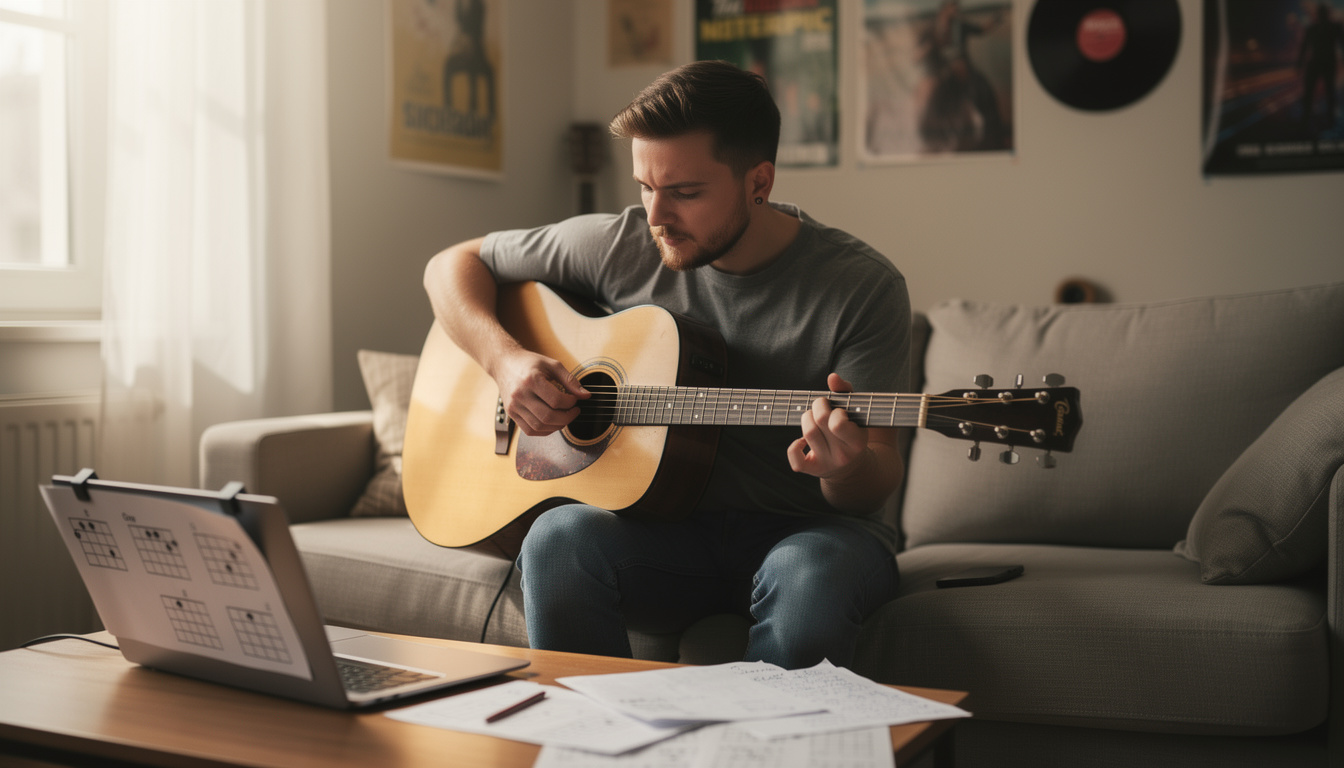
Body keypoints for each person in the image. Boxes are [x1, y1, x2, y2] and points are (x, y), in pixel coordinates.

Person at [423, 60, 911, 670]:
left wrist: (846, 468)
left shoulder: (862, 287)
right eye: (645, 187)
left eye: (684, 192)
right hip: (665, 532)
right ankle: (592, 725)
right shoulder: (623, 244)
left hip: (811, 532)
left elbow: (877, 473)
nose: (656, 217)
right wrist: (505, 361)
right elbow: (451, 265)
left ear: (759, 182)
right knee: (556, 540)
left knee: (810, 575)